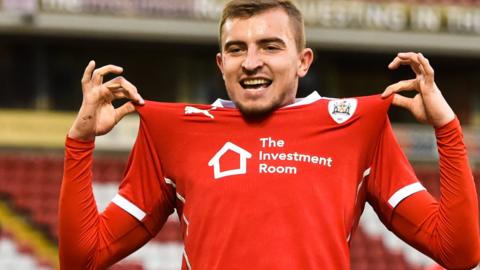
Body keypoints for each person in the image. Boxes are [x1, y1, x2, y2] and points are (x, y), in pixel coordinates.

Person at [59, 0, 480, 269]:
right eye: (238, 49)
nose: (251, 62)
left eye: (270, 46)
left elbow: (459, 252)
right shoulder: (171, 131)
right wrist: (80, 142)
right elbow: (83, 257)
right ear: (220, 63)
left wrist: (448, 130)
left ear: (303, 60)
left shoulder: (358, 126)